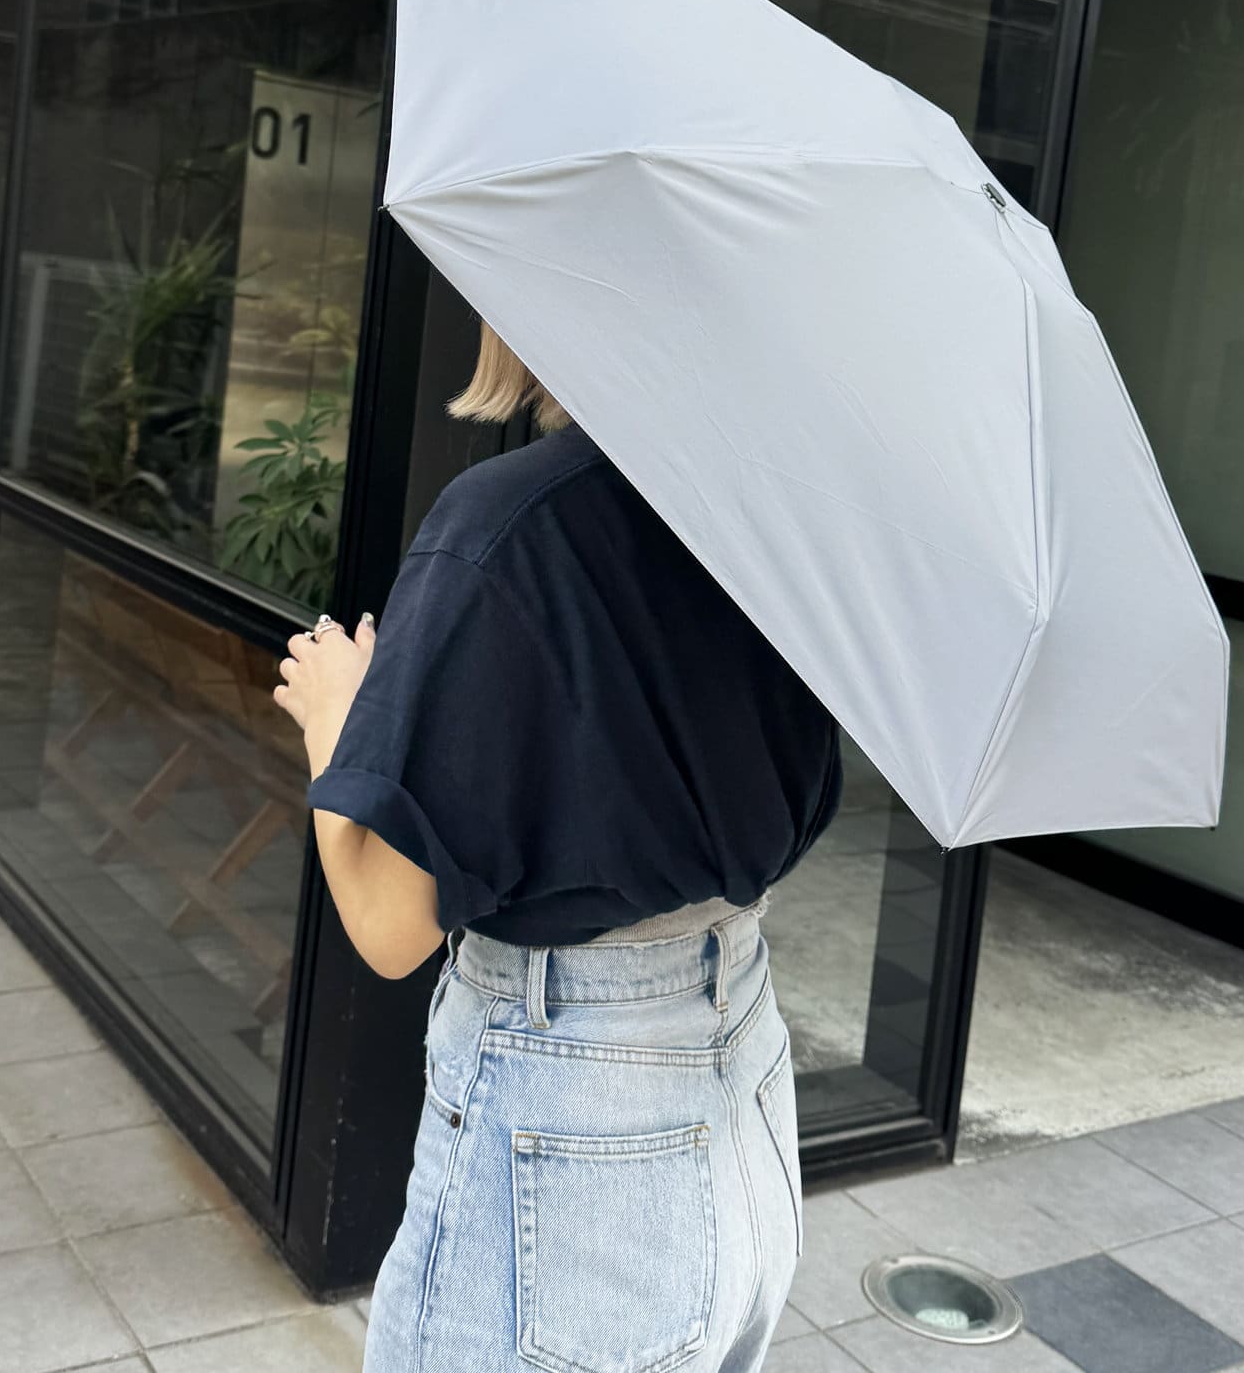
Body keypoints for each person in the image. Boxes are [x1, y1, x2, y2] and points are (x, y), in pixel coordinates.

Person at [274, 321, 843, 1372]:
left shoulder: (507, 526)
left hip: (572, 1101)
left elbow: (389, 926)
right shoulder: (781, 508)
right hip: (746, 1077)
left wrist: (333, 718)